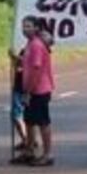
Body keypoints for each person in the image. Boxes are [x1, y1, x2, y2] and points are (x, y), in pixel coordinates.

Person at [21, 17, 55, 166]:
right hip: (31, 89)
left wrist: (28, 91)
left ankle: (47, 154)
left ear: (36, 28)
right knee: (29, 121)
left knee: (42, 122)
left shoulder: (36, 45)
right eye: (23, 26)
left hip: (39, 90)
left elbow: (36, 69)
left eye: (28, 26)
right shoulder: (29, 44)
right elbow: (27, 63)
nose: (25, 29)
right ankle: (29, 151)